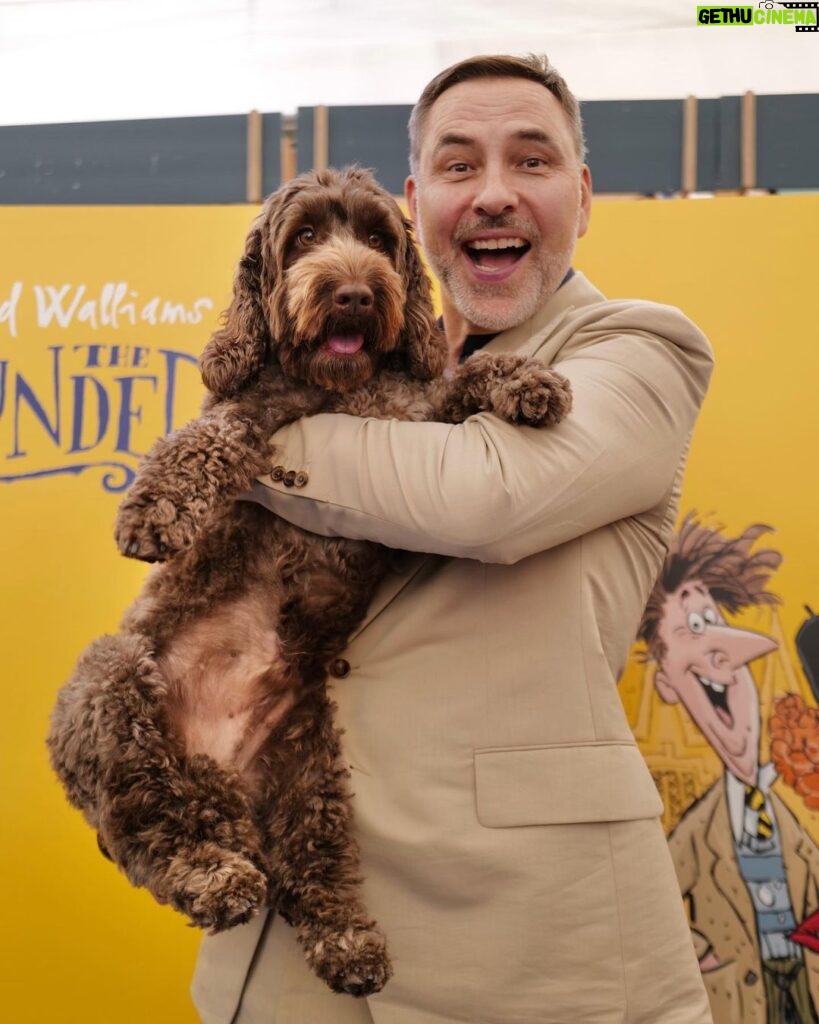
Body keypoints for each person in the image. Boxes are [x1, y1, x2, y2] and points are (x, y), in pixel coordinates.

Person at [191, 54, 714, 1024]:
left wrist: (234, 438)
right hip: (289, 950)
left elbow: (488, 494)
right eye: (460, 165)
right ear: (412, 202)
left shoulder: (640, 350)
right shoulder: (365, 368)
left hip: (529, 958)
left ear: (584, 195)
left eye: (532, 161)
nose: (495, 194)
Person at [640, 516, 819, 1023]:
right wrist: (701, 957)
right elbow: (646, 904)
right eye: (690, 629)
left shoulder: (789, 813)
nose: (717, 648)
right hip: (739, 997)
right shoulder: (693, 834)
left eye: (711, 620)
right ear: (668, 682)